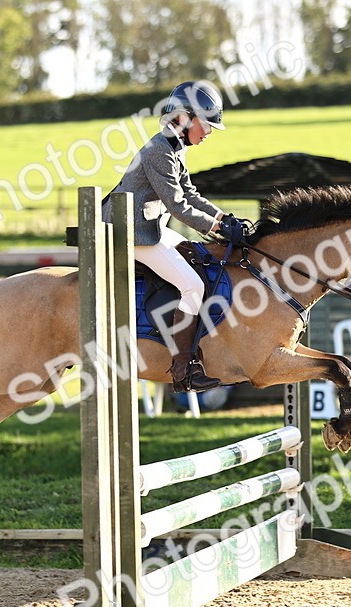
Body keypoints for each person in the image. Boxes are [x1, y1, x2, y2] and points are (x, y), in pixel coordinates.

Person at [102, 81, 248, 392]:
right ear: (183, 117)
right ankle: (184, 369)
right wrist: (217, 229)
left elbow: (191, 194)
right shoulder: (159, 150)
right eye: (206, 124)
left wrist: (223, 217)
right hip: (130, 233)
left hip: (147, 227)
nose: (208, 132)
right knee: (193, 285)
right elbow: (178, 206)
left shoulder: (173, 147)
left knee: (197, 258)